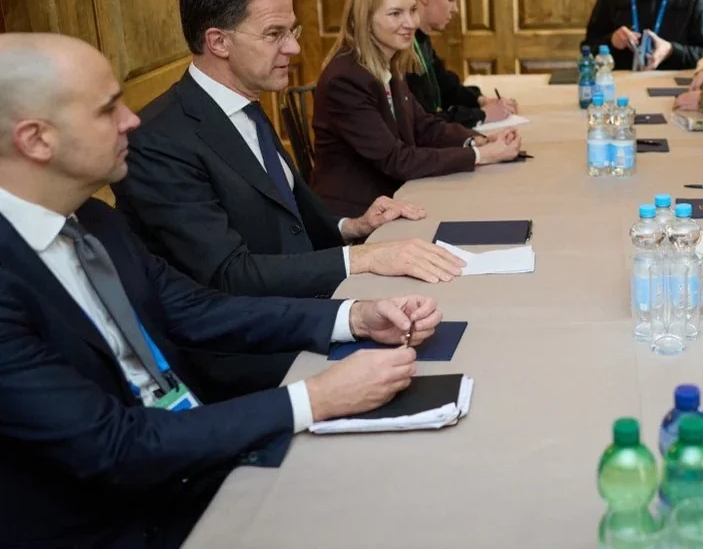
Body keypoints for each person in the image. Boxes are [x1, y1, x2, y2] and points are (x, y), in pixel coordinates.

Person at [0, 33, 450, 548]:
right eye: (108, 110)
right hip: (117, 522)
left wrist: (354, 317)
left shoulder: (93, 219)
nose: (131, 121)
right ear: (36, 139)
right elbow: (114, 446)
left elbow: (194, 308)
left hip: (190, 459)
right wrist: (316, 398)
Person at [113, 0, 464, 398]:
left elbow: (283, 219)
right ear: (218, 42)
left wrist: (351, 227)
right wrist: (363, 259)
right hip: (246, 352)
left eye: (291, 31)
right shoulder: (158, 139)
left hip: (306, 309)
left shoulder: (245, 105)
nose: (295, 48)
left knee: (456, 318)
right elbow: (228, 275)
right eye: (274, 34)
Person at [312, 0, 522, 218]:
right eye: (395, 14)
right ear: (365, 19)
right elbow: (396, 159)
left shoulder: (389, 65)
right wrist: (481, 156)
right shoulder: (346, 79)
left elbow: (424, 127)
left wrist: (477, 140)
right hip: (359, 213)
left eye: (412, 11)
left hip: (397, 195)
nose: (411, 23)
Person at [403, 0, 517, 127]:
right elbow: (424, 121)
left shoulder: (421, 39)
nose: (455, 9)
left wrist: (480, 100)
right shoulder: (403, 47)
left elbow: (446, 87)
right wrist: (482, 114)